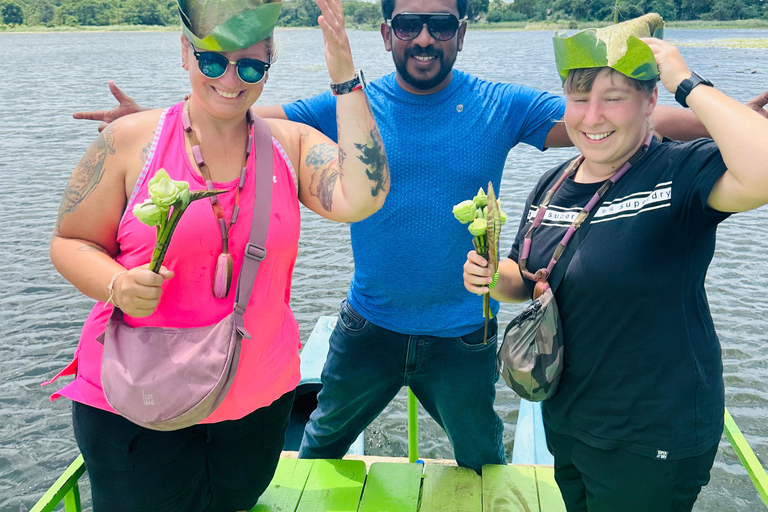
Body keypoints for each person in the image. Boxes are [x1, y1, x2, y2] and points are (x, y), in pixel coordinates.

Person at [71, 0, 768, 473]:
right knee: (318, 451)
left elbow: (611, 125)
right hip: (366, 327)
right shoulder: (344, 108)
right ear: (386, 34)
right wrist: (159, 122)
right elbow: (234, 110)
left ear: (462, 31)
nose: (424, 38)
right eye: (408, 24)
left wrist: (722, 116)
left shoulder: (501, 104)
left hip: (464, 337)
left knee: (483, 464)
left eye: (440, 23)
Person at [46, 0, 388, 510]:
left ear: (268, 69)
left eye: (251, 66)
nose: (231, 78)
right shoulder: (128, 142)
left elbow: (365, 195)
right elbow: (70, 242)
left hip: (253, 407)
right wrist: (116, 284)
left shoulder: (289, 146)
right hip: (135, 405)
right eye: (213, 60)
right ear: (186, 51)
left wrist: (343, 73)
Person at [463, 14, 768, 511]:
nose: (592, 116)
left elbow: (762, 169)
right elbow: (529, 280)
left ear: (650, 101)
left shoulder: (678, 170)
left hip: (652, 439)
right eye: (579, 99)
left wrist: (686, 83)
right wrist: (492, 277)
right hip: (570, 423)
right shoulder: (552, 185)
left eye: (614, 97)